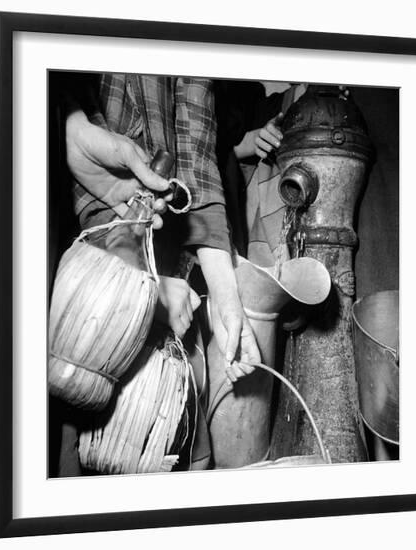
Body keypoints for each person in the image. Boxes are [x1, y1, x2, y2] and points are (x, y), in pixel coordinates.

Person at [51, 73, 261, 475]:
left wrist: (226, 297)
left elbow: (197, 141)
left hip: (155, 251)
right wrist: (140, 291)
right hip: (85, 265)